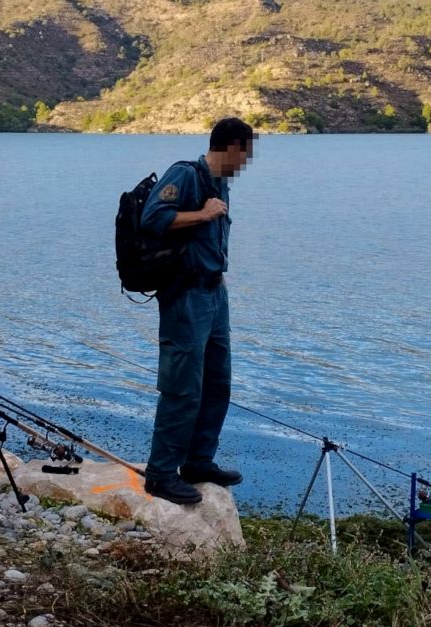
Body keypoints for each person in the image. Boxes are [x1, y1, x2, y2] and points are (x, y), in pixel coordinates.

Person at [138, 118, 255, 505]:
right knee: (182, 387)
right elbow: (152, 218)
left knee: (217, 382)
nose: (247, 161)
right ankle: (160, 474)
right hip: (186, 296)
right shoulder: (185, 175)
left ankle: (198, 461)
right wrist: (202, 215)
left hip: (214, 294)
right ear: (231, 147)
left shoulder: (219, 184)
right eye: (245, 152)